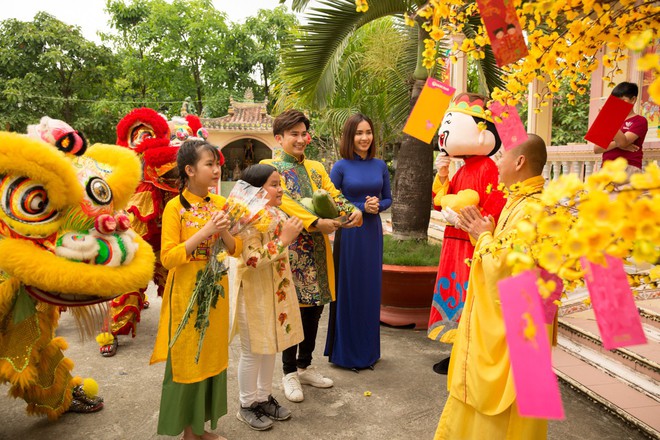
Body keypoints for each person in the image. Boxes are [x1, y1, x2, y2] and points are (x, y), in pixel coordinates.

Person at [434, 133, 552, 440]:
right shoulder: (521, 201)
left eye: (502, 157)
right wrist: (477, 231)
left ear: (520, 161)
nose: (497, 163)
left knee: (506, 406)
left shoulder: (532, 209)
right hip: (520, 321)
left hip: (517, 326)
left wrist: (484, 237)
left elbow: (507, 268)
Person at [261, 109, 363, 403]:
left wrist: (351, 210)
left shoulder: (317, 167)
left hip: (319, 251)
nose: (301, 139)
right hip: (290, 249)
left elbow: (332, 194)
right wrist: (315, 223)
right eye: (293, 134)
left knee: (315, 308)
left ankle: (305, 365)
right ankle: (288, 371)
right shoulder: (270, 167)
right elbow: (287, 203)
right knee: (292, 309)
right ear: (279, 138)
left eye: (303, 133)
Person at [150, 139, 239, 440]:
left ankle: (199, 429)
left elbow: (236, 250)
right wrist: (205, 231)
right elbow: (168, 257)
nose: (216, 170)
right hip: (186, 292)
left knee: (210, 357)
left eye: (217, 164)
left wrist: (224, 229)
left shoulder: (221, 205)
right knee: (189, 359)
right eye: (209, 164)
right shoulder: (175, 208)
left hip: (215, 292)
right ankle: (189, 432)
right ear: (190, 170)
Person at [427, 93, 506, 374]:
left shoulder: (488, 168)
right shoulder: (464, 168)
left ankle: (467, 352)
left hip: (470, 244)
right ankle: (457, 348)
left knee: (466, 297)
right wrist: (444, 174)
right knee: (454, 294)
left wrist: (465, 221)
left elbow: (494, 208)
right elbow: (439, 201)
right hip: (453, 243)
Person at [230, 164, 305, 431]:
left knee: (271, 346)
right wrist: (284, 240)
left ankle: (262, 397)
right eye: (274, 184)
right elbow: (251, 259)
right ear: (257, 190)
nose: (280, 188)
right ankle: (246, 404)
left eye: (279, 183)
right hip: (254, 293)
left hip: (276, 291)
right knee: (252, 352)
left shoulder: (274, 212)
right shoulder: (246, 219)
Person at [324, 113, 392, 370]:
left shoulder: (380, 166)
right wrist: (362, 206)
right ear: (349, 137)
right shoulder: (340, 167)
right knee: (349, 289)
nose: (365, 138)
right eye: (359, 133)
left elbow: (387, 198)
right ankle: (347, 354)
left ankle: (368, 353)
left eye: (368, 132)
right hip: (351, 232)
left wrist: (376, 206)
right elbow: (331, 202)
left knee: (370, 290)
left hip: (372, 233)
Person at [593, 81, 648, 175]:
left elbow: (623, 142)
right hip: (606, 168)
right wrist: (618, 144)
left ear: (633, 99)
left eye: (622, 100)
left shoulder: (640, 120)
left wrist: (607, 119)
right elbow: (597, 149)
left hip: (628, 168)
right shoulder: (608, 120)